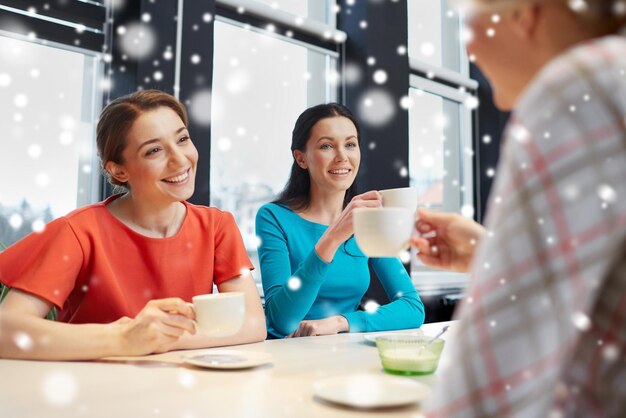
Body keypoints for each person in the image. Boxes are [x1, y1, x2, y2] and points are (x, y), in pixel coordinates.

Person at [411, 1, 626, 416]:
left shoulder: (584, 86)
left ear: (523, 13)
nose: (469, 50)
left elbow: (487, 397)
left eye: (468, 21)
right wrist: (491, 256)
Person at [0, 90, 266, 360]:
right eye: (154, 150)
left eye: (182, 139)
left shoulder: (217, 226)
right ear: (118, 170)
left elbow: (253, 323)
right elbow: (5, 330)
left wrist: (157, 338)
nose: (180, 159)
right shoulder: (78, 232)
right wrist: (122, 339)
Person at [256, 103, 425, 338]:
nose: (342, 157)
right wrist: (333, 237)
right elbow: (282, 320)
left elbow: (412, 308)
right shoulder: (273, 217)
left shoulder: (368, 220)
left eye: (350, 144)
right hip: (287, 355)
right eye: (327, 146)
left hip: (344, 354)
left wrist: (341, 322)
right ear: (301, 158)